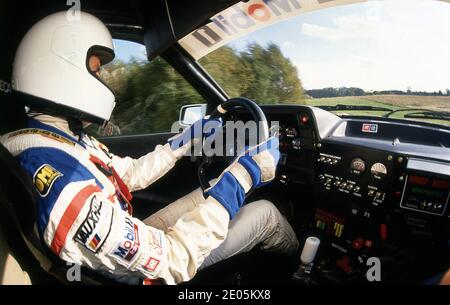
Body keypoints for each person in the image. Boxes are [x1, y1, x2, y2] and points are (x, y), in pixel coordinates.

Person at [1, 11, 298, 284]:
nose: (102, 79)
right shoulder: (63, 186)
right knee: (267, 214)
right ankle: (300, 271)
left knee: (215, 185)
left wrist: (185, 141)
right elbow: (174, 259)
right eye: (94, 71)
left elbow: (128, 175)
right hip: (147, 273)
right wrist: (246, 175)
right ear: (58, 71)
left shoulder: (52, 139)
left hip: (127, 234)